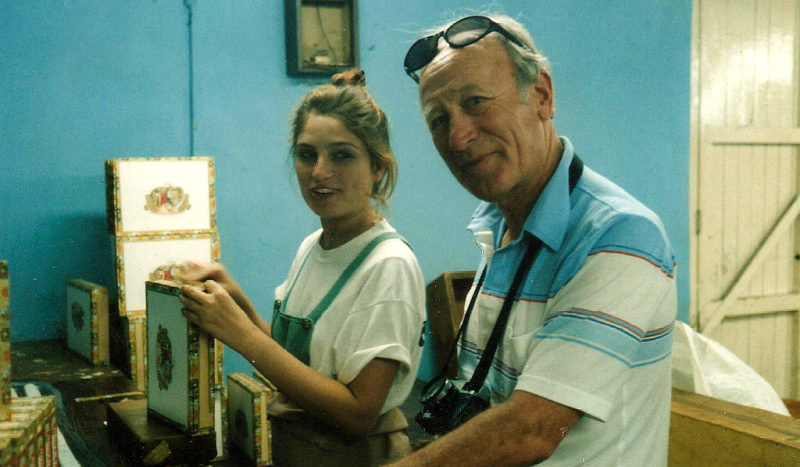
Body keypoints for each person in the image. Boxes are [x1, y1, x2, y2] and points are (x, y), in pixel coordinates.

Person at [393, 14, 677, 466]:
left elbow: (536, 429)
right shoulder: (498, 226)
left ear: (542, 96)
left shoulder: (620, 234)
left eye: (476, 102)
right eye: (438, 120)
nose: (458, 137)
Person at [178, 69, 426, 466]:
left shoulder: (389, 265)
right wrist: (239, 304)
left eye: (342, 155)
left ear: (378, 167)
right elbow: (300, 367)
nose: (319, 171)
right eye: (307, 154)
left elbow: (357, 415)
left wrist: (243, 336)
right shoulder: (313, 247)